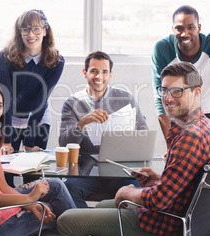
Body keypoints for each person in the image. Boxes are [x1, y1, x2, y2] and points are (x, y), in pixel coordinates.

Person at [57, 62, 210, 235]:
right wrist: (159, 178)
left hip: (162, 222)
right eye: (165, 90)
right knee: (101, 205)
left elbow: (159, 199)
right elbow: (190, 181)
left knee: (66, 220)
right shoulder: (206, 126)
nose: (168, 98)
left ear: (196, 92)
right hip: (173, 212)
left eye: (177, 91)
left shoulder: (190, 138)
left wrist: (128, 192)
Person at [0, 82, 76, 236]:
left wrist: (30, 204)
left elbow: (1, 186)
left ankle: (81, 226)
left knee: (55, 186)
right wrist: (29, 198)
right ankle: (83, 227)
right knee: (64, 222)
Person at [58, 50, 148, 208]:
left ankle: (111, 225)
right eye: (94, 71)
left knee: (137, 191)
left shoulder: (126, 99)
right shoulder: (72, 102)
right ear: (85, 73)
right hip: (86, 172)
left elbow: (143, 134)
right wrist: (82, 123)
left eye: (104, 72)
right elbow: (64, 142)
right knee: (66, 190)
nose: (99, 77)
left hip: (120, 170)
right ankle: (85, 226)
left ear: (110, 74)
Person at [151, 5, 210, 156]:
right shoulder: (162, 49)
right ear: (173, 30)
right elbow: (160, 97)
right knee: (180, 168)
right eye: (179, 28)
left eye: (190, 27)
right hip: (179, 115)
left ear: (199, 27)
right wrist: (170, 145)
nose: (185, 33)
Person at [0, 9, 64, 154]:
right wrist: (6, 140)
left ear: (45, 31)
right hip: (11, 118)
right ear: (19, 32)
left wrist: (29, 141)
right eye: (25, 29)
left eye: (36, 29)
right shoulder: (5, 56)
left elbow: (40, 100)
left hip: (38, 120)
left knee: (33, 172)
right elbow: (5, 97)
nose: (31, 34)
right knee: (6, 171)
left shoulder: (57, 61)